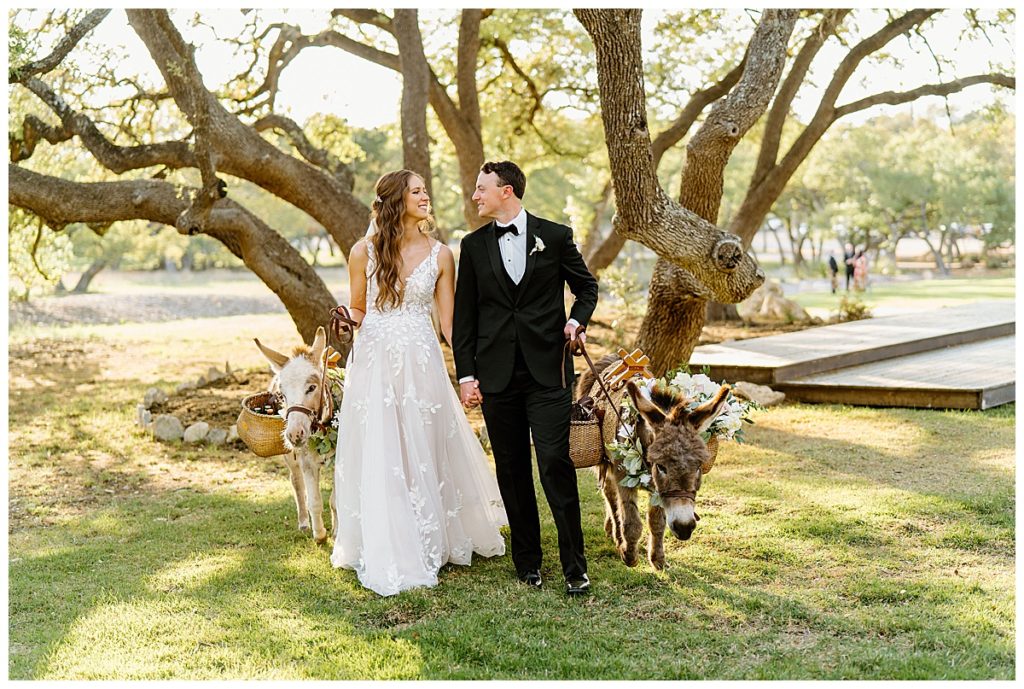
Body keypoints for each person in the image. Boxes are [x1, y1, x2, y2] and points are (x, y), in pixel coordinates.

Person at [330, 170, 507, 597]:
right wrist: (344, 319)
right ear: (395, 200)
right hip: (374, 360)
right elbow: (359, 308)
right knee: (383, 446)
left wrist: (478, 363)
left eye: (426, 189)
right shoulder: (363, 252)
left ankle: (431, 535)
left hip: (421, 358)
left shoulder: (442, 255)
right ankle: (389, 535)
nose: (426, 195)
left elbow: (449, 325)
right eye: (416, 191)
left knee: (424, 443)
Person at [452, 160, 599, 597]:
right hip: (496, 377)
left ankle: (575, 565)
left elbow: (586, 287)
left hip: (547, 373)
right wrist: (466, 375)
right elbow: (465, 318)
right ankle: (527, 562)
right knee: (512, 470)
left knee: (555, 463)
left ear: (507, 192)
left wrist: (576, 321)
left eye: (482, 188)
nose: (475, 196)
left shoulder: (554, 237)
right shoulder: (473, 245)